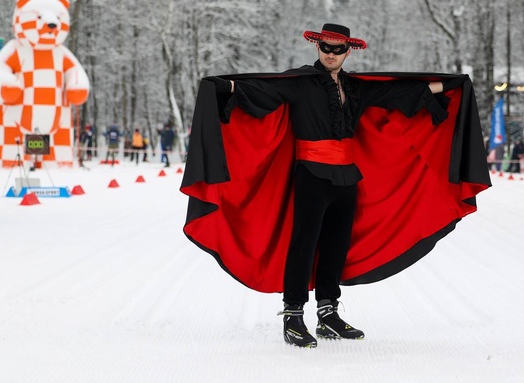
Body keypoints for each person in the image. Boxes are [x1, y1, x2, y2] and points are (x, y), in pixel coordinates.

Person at [180, 23, 491, 349]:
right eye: (325, 47)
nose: (330, 53)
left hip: (347, 177)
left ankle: (328, 314)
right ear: (317, 47)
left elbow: (400, 93)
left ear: (348, 51)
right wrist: (222, 86)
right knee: (303, 244)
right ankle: (293, 316)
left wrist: (453, 85)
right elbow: (261, 91)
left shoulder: (357, 88)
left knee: (336, 246)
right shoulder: (300, 83)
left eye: (337, 49)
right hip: (311, 175)